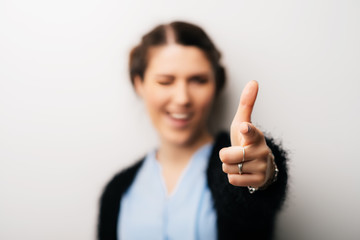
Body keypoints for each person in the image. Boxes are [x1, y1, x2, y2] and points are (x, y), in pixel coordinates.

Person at [98, 21, 288, 240]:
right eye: (165, 81)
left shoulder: (235, 164)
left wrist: (264, 178)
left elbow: (251, 209)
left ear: (216, 85)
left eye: (198, 80)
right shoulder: (118, 190)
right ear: (139, 84)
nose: (182, 99)